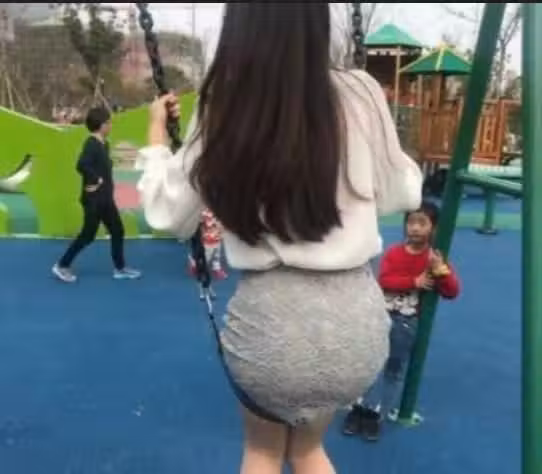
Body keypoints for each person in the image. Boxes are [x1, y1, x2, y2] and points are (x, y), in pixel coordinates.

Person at [136, 4, 423, 473]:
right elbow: (402, 193)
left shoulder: (225, 102)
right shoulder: (361, 92)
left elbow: (168, 216)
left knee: (263, 452)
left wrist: (155, 138)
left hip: (272, 328)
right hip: (356, 328)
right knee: (308, 451)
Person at [342, 201, 460, 442]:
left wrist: (440, 270)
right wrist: (413, 282)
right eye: (411, 222)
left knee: (393, 367)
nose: (415, 228)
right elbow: (384, 280)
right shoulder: (395, 252)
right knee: (368, 362)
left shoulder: (434, 259)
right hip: (379, 315)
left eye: (422, 223)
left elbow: (452, 291)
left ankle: (376, 414)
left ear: (434, 228)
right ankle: (358, 408)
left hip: (406, 321)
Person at [52, 106, 141, 283]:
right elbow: (81, 165)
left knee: (117, 230)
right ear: (101, 125)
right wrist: (97, 180)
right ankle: (61, 265)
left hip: (105, 199)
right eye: (109, 123)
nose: (111, 126)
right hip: (93, 200)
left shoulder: (104, 144)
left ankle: (120, 269)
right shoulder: (91, 144)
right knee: (88, 235)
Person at [187, 208, 228, 280]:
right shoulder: (204, 212)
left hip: (217, 239)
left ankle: (216, 268)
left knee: (217, 255)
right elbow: (201, 223)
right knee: (205, 257)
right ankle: (194, 264)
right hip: (207, 240)